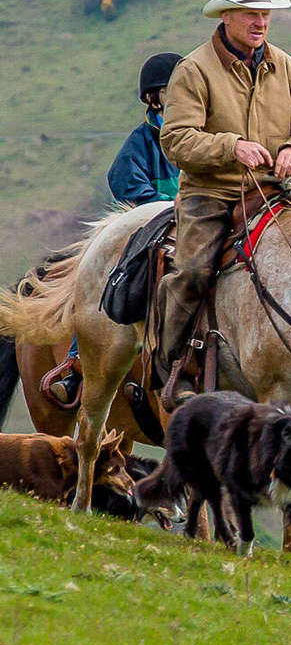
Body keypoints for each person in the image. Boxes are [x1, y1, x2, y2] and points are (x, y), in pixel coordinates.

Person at [152, 0, 291, 407]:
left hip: (278, 191)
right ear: (227, 16)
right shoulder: (193, 71)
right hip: (211, 193)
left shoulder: (289, 68)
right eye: (252, 13)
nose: (261, 21)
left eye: (265, 13)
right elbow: (176, 139)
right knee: (193, 270)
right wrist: (229, 146)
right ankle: (172, 366)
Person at [42, 52, 185, 408]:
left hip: (199, 223)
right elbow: (124, 181)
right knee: (110, 276)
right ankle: (76, 364)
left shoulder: (201, 132)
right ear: (155, 97)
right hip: (153, 224)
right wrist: (166, 207)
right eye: (174, 88)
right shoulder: (140, 143)